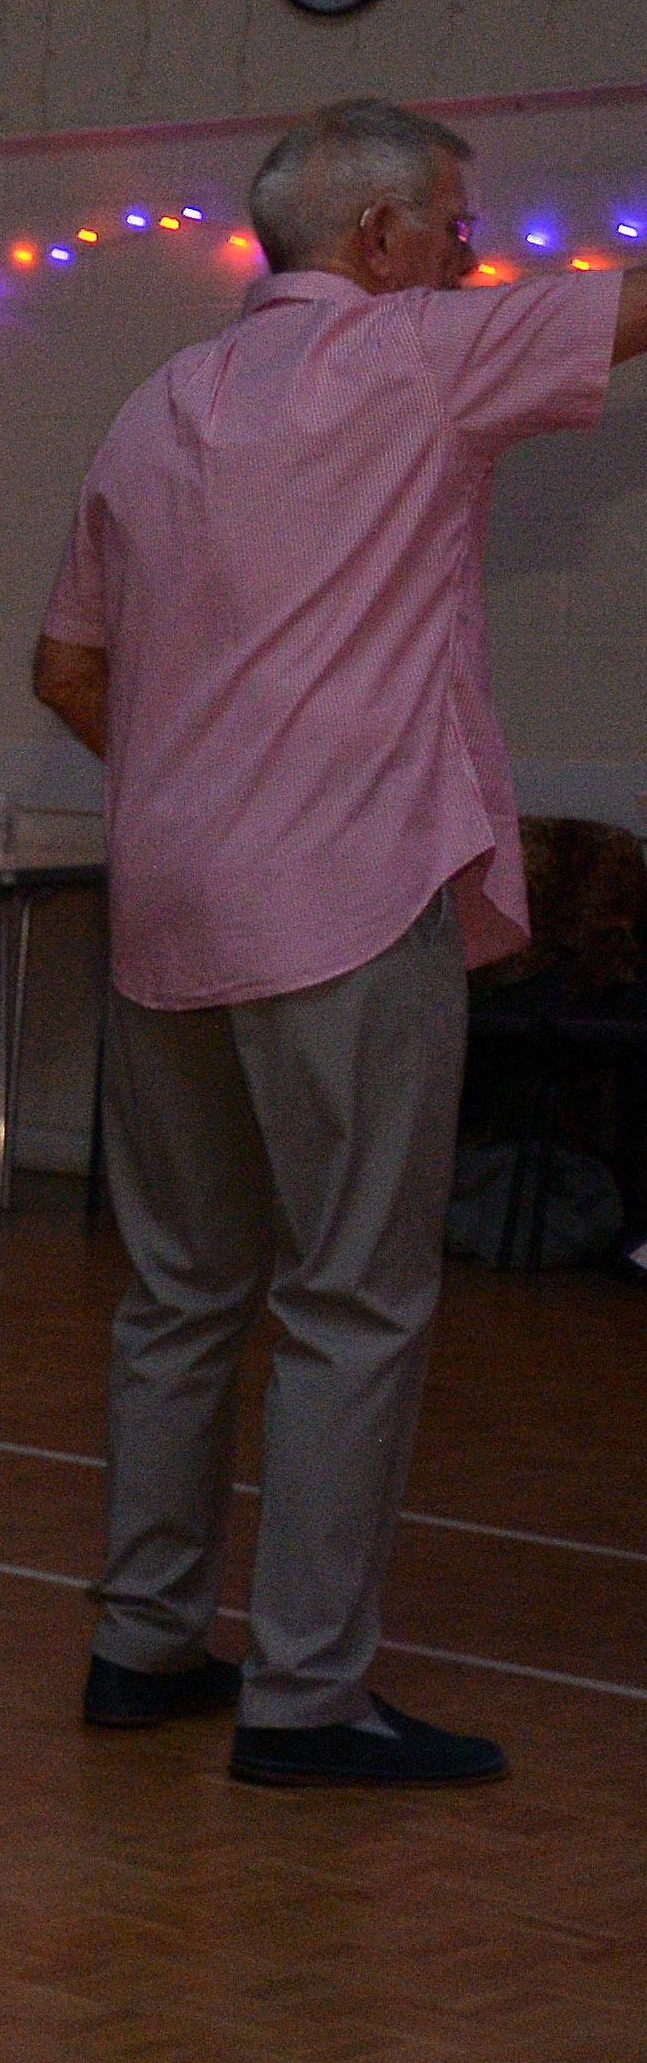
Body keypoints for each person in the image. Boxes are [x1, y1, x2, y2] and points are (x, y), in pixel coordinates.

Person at [33, 98, 645, 1790]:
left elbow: (65, 669)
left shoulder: (152, 404)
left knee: (177, 1295)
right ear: (378, 238)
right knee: (352, 1303)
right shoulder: (417, 355)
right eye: (455, 225)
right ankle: (305, 1701)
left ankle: (141, 1646)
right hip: (343, 906)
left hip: (165, 908)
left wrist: (205, 785)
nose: (470, 254)